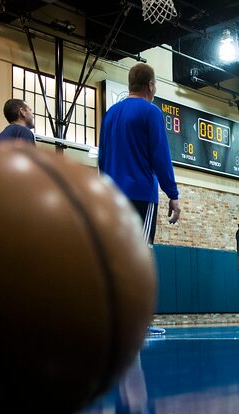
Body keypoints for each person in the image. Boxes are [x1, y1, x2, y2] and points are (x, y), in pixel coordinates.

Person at [98, 63, 181, 336]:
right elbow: (160, 156)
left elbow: (102, 158)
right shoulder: (151, 112)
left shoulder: (110, 114)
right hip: (140, 196)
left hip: (111, 196)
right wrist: (173, 194)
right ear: (151, 85)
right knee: (140, 256)